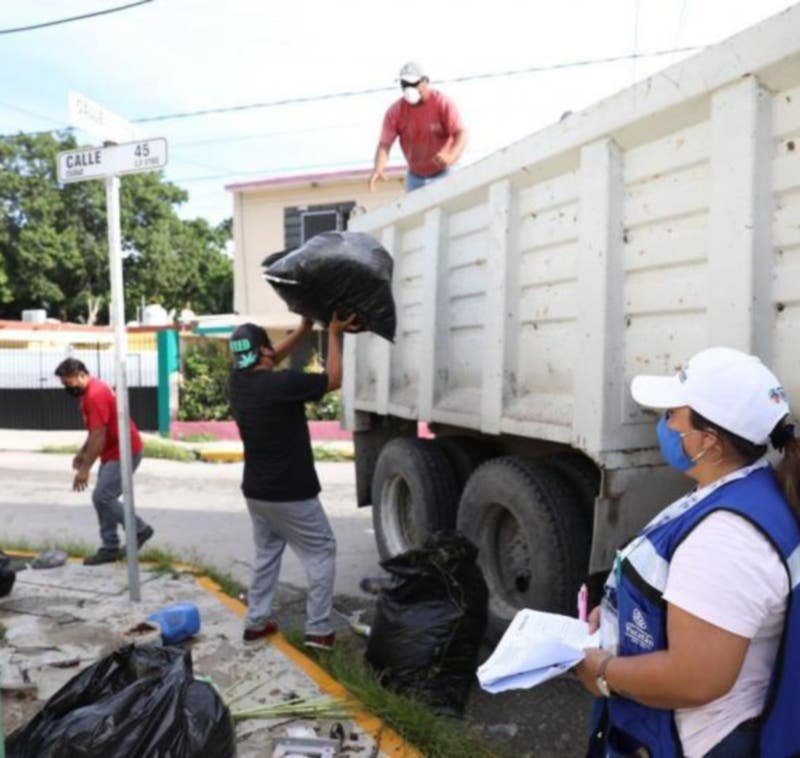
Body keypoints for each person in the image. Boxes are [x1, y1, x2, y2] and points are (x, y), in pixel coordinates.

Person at [574, 347, 800, 757]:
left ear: (708, 442)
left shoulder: (727, 539)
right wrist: (615, 615)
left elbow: (696, 678)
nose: (663, 424)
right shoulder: (737, 489)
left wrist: (604, 673)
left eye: (671, 415)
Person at [228, 313, 356, 650]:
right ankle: (318, 631)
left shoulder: (238, 383)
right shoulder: (281, 385)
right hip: (292, 493)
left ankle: (256, 622)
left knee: (267, 555)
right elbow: (332, 379)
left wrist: (302, 330)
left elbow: (268, 358)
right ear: (265, 354)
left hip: (257, 494)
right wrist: (333, 332)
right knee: (321, 551)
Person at [54, 358, 154, 565]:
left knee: (103, 497)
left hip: (124, 451)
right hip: (113, 451)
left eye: (68, 382)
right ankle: (110, 548)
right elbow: (95, 430)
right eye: (63, 383)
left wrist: (84, 469)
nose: (66, 387)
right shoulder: (90, 391)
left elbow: (99, 434)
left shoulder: (94, 394)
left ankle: (139, 529)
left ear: (81, 375)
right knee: (103, 500)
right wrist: (83, 452)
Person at [369, 61, 467, 193]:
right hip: (415, 178)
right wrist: (379, 168)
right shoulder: (395, 112)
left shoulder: (442, 103)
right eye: (404, 84)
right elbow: (385, 144)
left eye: (413, 84)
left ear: (425, 82)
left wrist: (451, 156)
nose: (409, 88)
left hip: (446, 172)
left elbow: (461, 133)